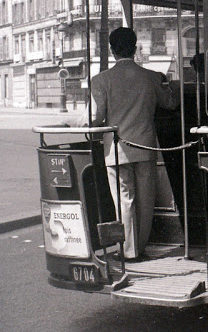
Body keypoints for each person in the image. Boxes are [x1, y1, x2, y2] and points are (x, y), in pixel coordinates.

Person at [74, 27, 179, 261]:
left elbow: (93, 118)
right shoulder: (151, 77)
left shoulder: (101, 80)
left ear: (112, 50)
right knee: (145, 201)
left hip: (117, 150)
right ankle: (140, 247)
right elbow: (170, 103)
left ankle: (128, 251)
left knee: (124, 200)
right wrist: (173, 86)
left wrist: (75, 123)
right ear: (135, 48)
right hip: (146, 147)